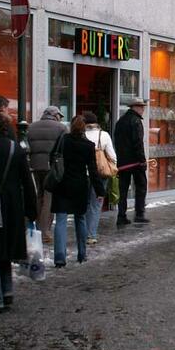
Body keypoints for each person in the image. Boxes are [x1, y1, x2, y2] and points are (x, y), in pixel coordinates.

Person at [0, 111, 37, 313]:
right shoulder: (15, 149)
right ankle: (7, 294)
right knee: (4, 251)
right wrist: (32, 211)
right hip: (12, 207)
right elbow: (27, 181)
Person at [51, 115, 105, 267]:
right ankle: (82, 253)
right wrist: (100, 190)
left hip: (61, 184)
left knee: (60, 220)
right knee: (80, 219)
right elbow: (93, 170)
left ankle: (60, 257)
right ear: (84, 129)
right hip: (80, 185)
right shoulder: (88, 145)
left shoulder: (63, 140)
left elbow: (52, 158)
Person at [26, 106, 67, 243]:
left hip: (35, 166)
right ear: (55, 115)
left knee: (39, 195)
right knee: (49, 198)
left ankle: (37, 228)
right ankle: (44, 232)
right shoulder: (61, 128)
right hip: (52, 167)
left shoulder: (31, 127)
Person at [84, 111, 116, 245]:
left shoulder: (80, 135)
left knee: (84, 204)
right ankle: (91, 235)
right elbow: (113, 156)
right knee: (96, 205)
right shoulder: (104, 135)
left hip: (83, 174)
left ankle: (83, 232)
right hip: (100, 174)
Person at [114, 99, 148, 225]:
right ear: (135, 107)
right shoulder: (136, 121)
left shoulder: (120, 121)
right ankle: (139, 214)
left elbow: (117, 141)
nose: (143, 109)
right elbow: (138, 142)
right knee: (141, 186)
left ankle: (121, 215)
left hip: (123, 162)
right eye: (141, 107)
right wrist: (142, 160)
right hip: (135, 162)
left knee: (123, 190)